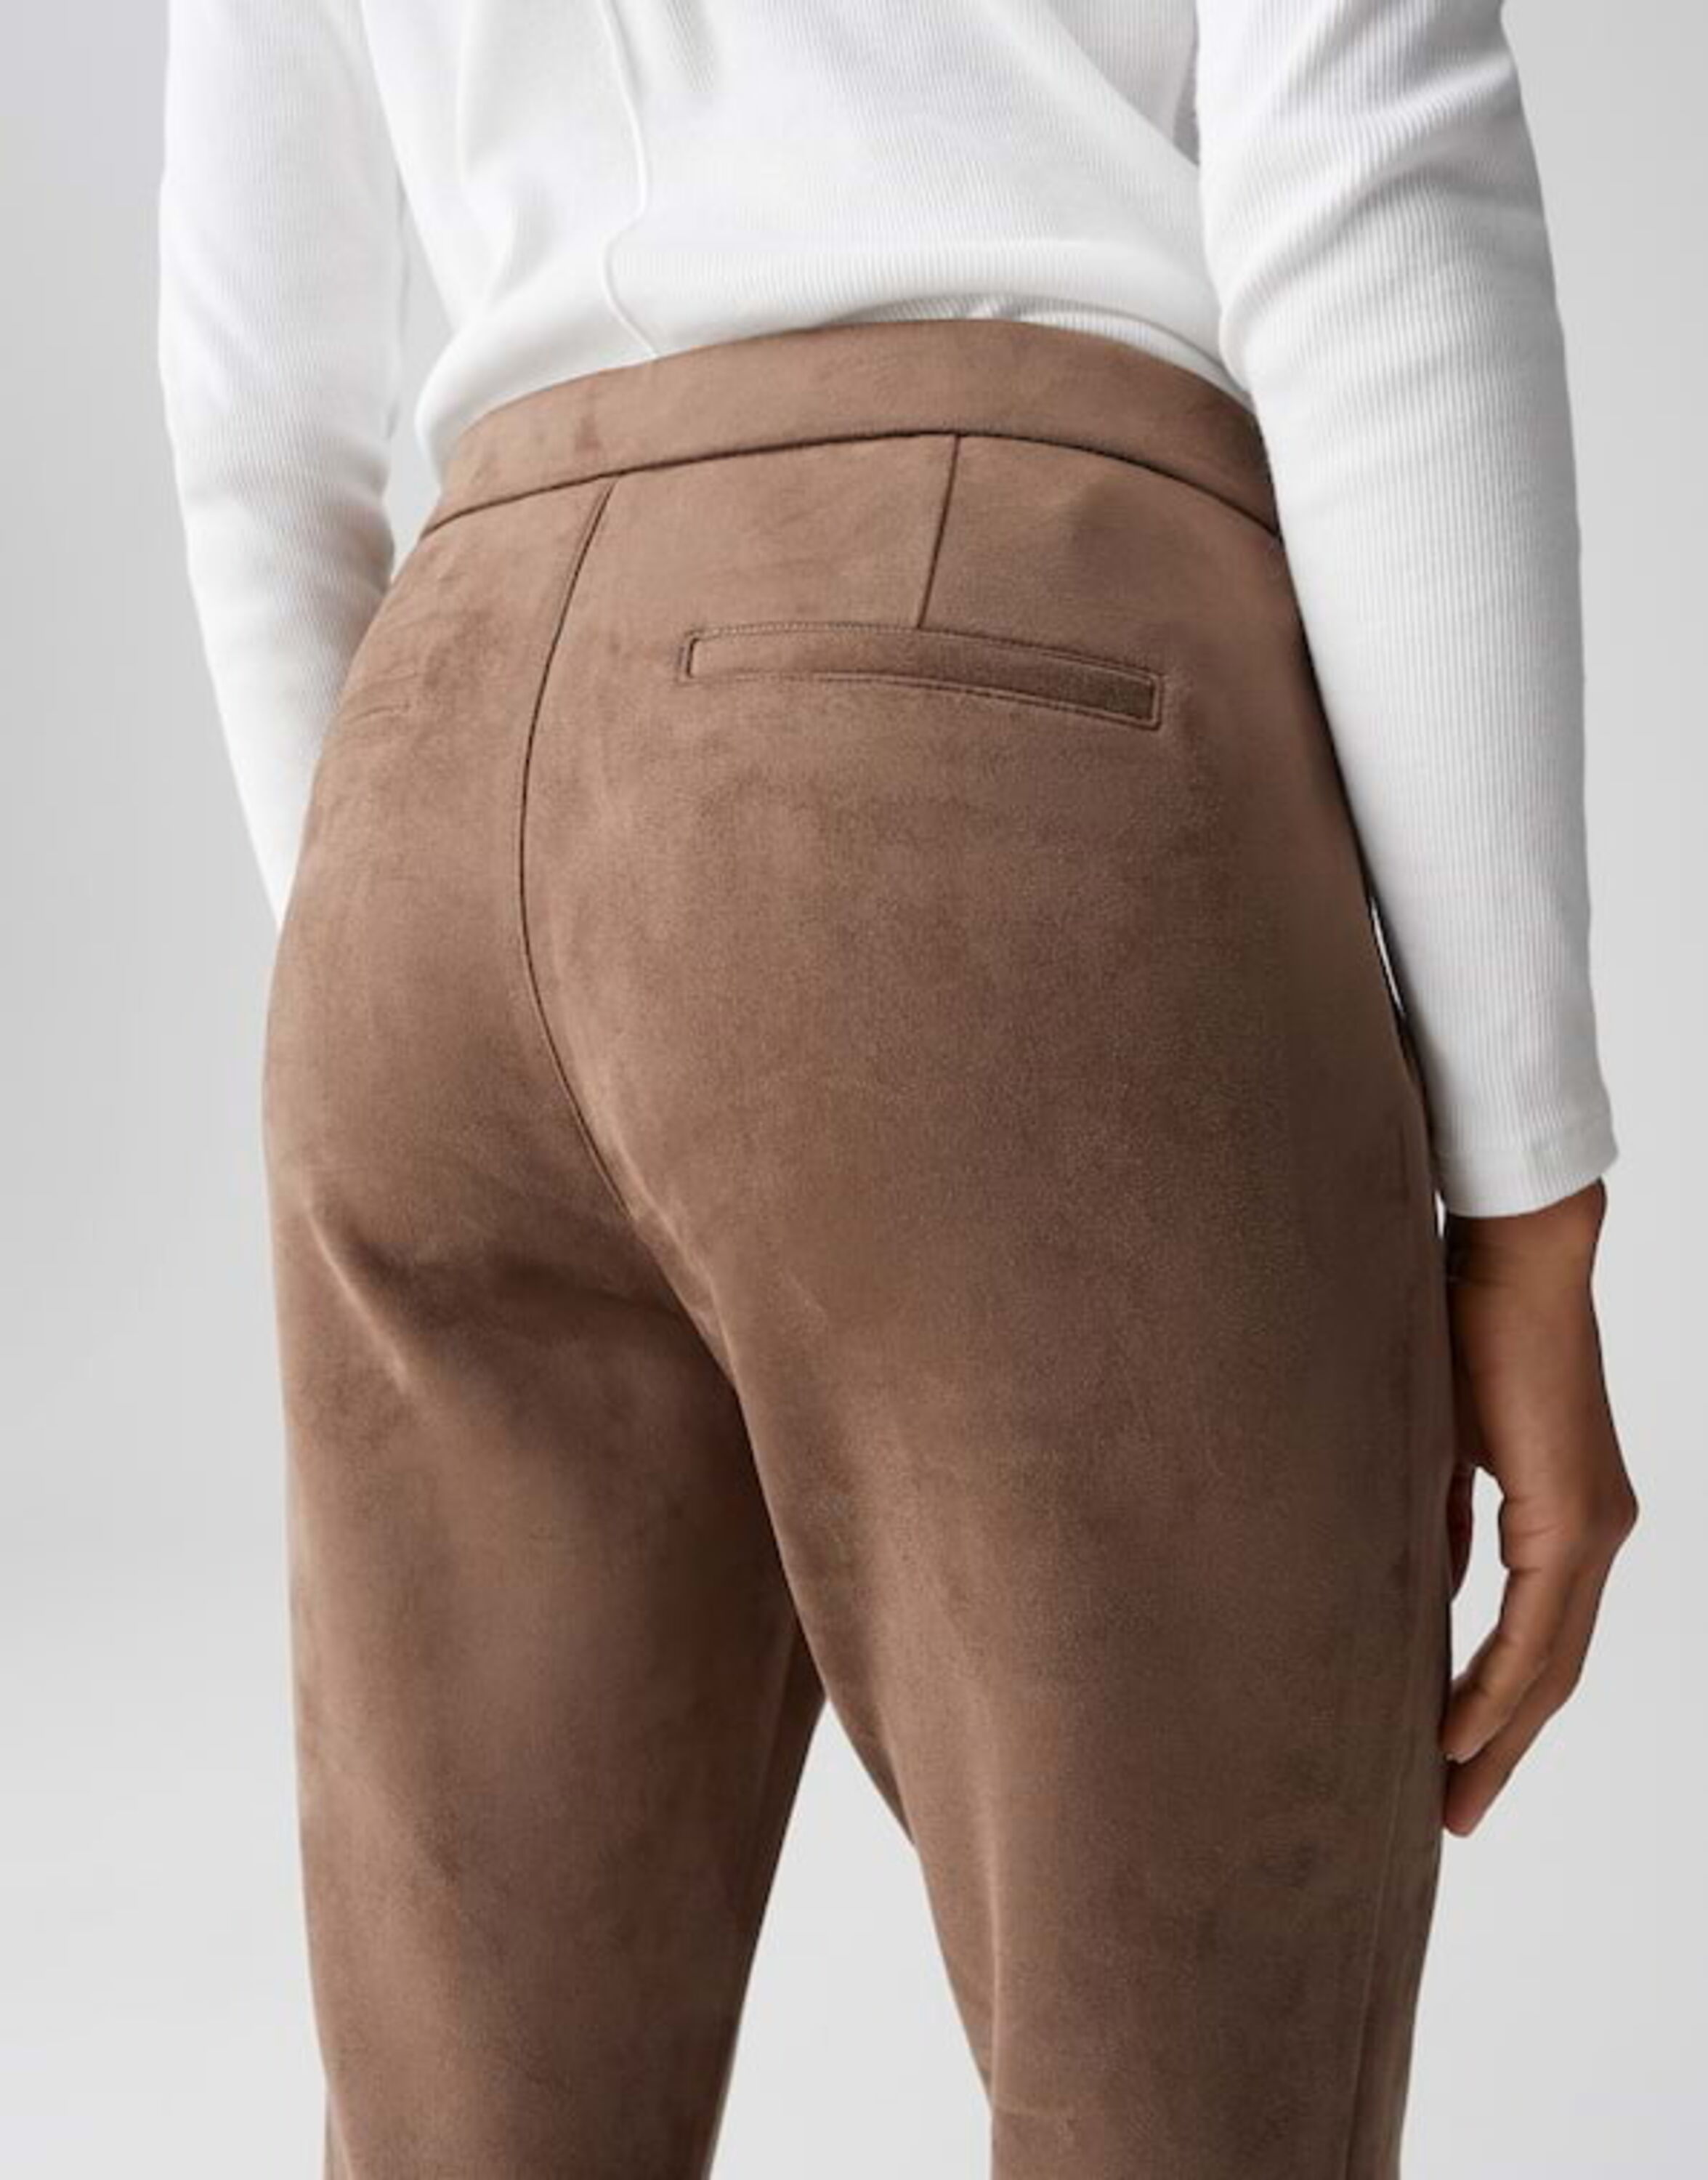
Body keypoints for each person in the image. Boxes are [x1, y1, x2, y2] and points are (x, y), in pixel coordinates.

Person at [155, 3, 1638, 2175]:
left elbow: (249, 403)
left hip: (437, 769)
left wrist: (387, 905)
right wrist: (1527, 1198)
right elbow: (1369, 171)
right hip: (999, 695)